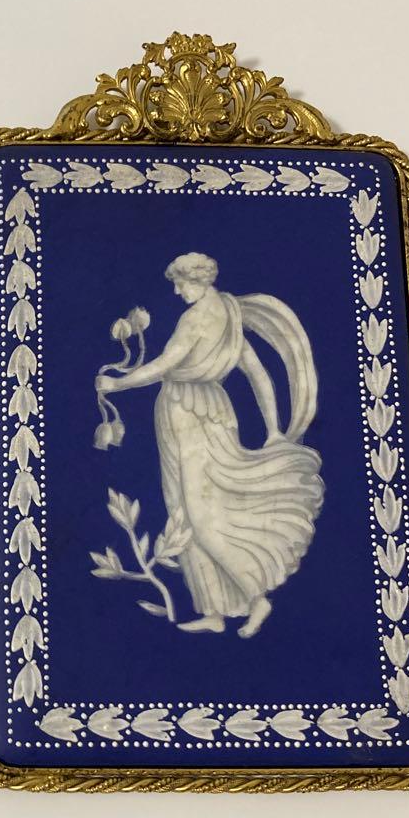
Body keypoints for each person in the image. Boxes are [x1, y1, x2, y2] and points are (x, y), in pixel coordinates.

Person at [95, 252, 324, 638]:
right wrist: (272, 430)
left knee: (200, 514)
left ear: (197, 281)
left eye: (180, 284)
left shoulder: (195, 319)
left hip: (188, 410)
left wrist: (118, 383)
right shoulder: (229, 311)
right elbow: (258, 374)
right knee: (184, 511)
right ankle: (214, 610)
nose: (176, 291)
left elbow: (163, 366)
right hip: (211, 408)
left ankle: (255, 595)